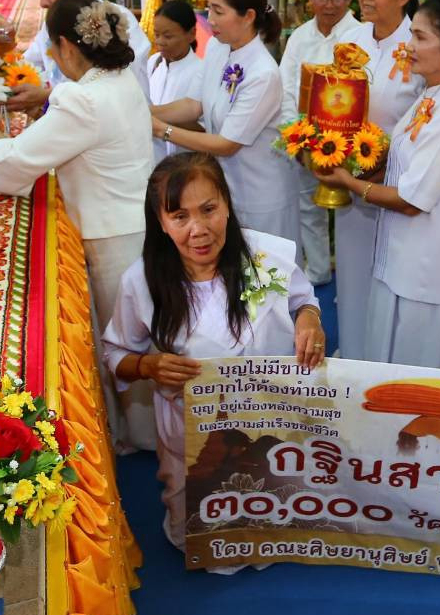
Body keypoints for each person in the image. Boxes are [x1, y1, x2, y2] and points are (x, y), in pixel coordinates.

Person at [0, 0, 156, 452]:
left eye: (53, 49)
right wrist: (49, 97)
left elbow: (10, 168)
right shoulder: (121, 77)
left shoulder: (79, 100)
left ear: (69, 47)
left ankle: (139, 442)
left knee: (122, 340)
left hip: (112, 240)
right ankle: (143, 435)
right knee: (136, 334)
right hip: (136, 223)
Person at [101, 153, 323, 550]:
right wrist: (148, 365)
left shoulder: (265, 258)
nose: (198, 230)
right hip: (192, 434)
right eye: (180, 217)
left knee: (270, 512)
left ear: (227, 203)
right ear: (161, 223)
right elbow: (115, 354)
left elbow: (303, 301)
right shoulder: (143, 281)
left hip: (268, 419)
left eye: (209, 209)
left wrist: (309, 319)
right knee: (201, 534)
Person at [317, 0, 440, 369]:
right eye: (412, 35)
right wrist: (358, 169)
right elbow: (398, 159)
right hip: (398, 256)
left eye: (421, 38)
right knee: (385, 361)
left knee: (412, 376)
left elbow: (412, 200)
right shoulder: (431, 96)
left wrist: (348, 181)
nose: (408, 47)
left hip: (425, 266)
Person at [151, 0, 299, 248]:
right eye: (208, 9)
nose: (210, 19)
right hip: (227, 187)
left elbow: (226, 143)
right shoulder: (219, 48)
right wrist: (144, 111)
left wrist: (161, 129)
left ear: (249, 16)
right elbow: (195, 105)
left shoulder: (263, 73)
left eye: (219, 11)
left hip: (261, 194)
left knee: (268, 280)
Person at [333, 0, 424, 359]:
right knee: (351, 274)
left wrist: (389, 157)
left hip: (397, 185)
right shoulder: (348, 41)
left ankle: (382, 364)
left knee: (388, 278)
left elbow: (428, 115)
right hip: (349, 177)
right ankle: (353, 355)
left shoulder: (420, 49)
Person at [279, 0, 362, 285]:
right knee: (307, 208)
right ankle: (317, 273)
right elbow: (286, 89)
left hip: (351, 146)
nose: (329, 5)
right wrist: (298, 141)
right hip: (308, 141)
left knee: (351, 214)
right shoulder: (299, 38)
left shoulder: (360, 38)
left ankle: (352, 281)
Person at [17, 0, 151, 108]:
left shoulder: (115, 19)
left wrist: (48, 95)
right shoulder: (54, 22)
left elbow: (121, 86)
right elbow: (29, 63)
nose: (42, 3)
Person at [146, 0, 205, 163]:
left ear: (191, 34)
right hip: (153, 158)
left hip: (184, 160)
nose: (160, 42)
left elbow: (204, 129)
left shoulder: (201, 71)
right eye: (156, 34)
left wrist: (161, 119)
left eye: (168, 36)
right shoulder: (153, 63)